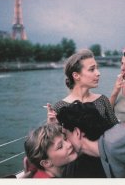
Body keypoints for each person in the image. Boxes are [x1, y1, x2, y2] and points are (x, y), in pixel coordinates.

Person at [46, 49, 119, 177]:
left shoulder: (102, 100)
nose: (98, 73)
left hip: (106, 165)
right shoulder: (60, 107)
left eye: (97, 68)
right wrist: (51, 127)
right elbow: (57, 145)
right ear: (76, 75)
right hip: (76, 170)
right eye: (92, 69)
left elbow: (116, 133)